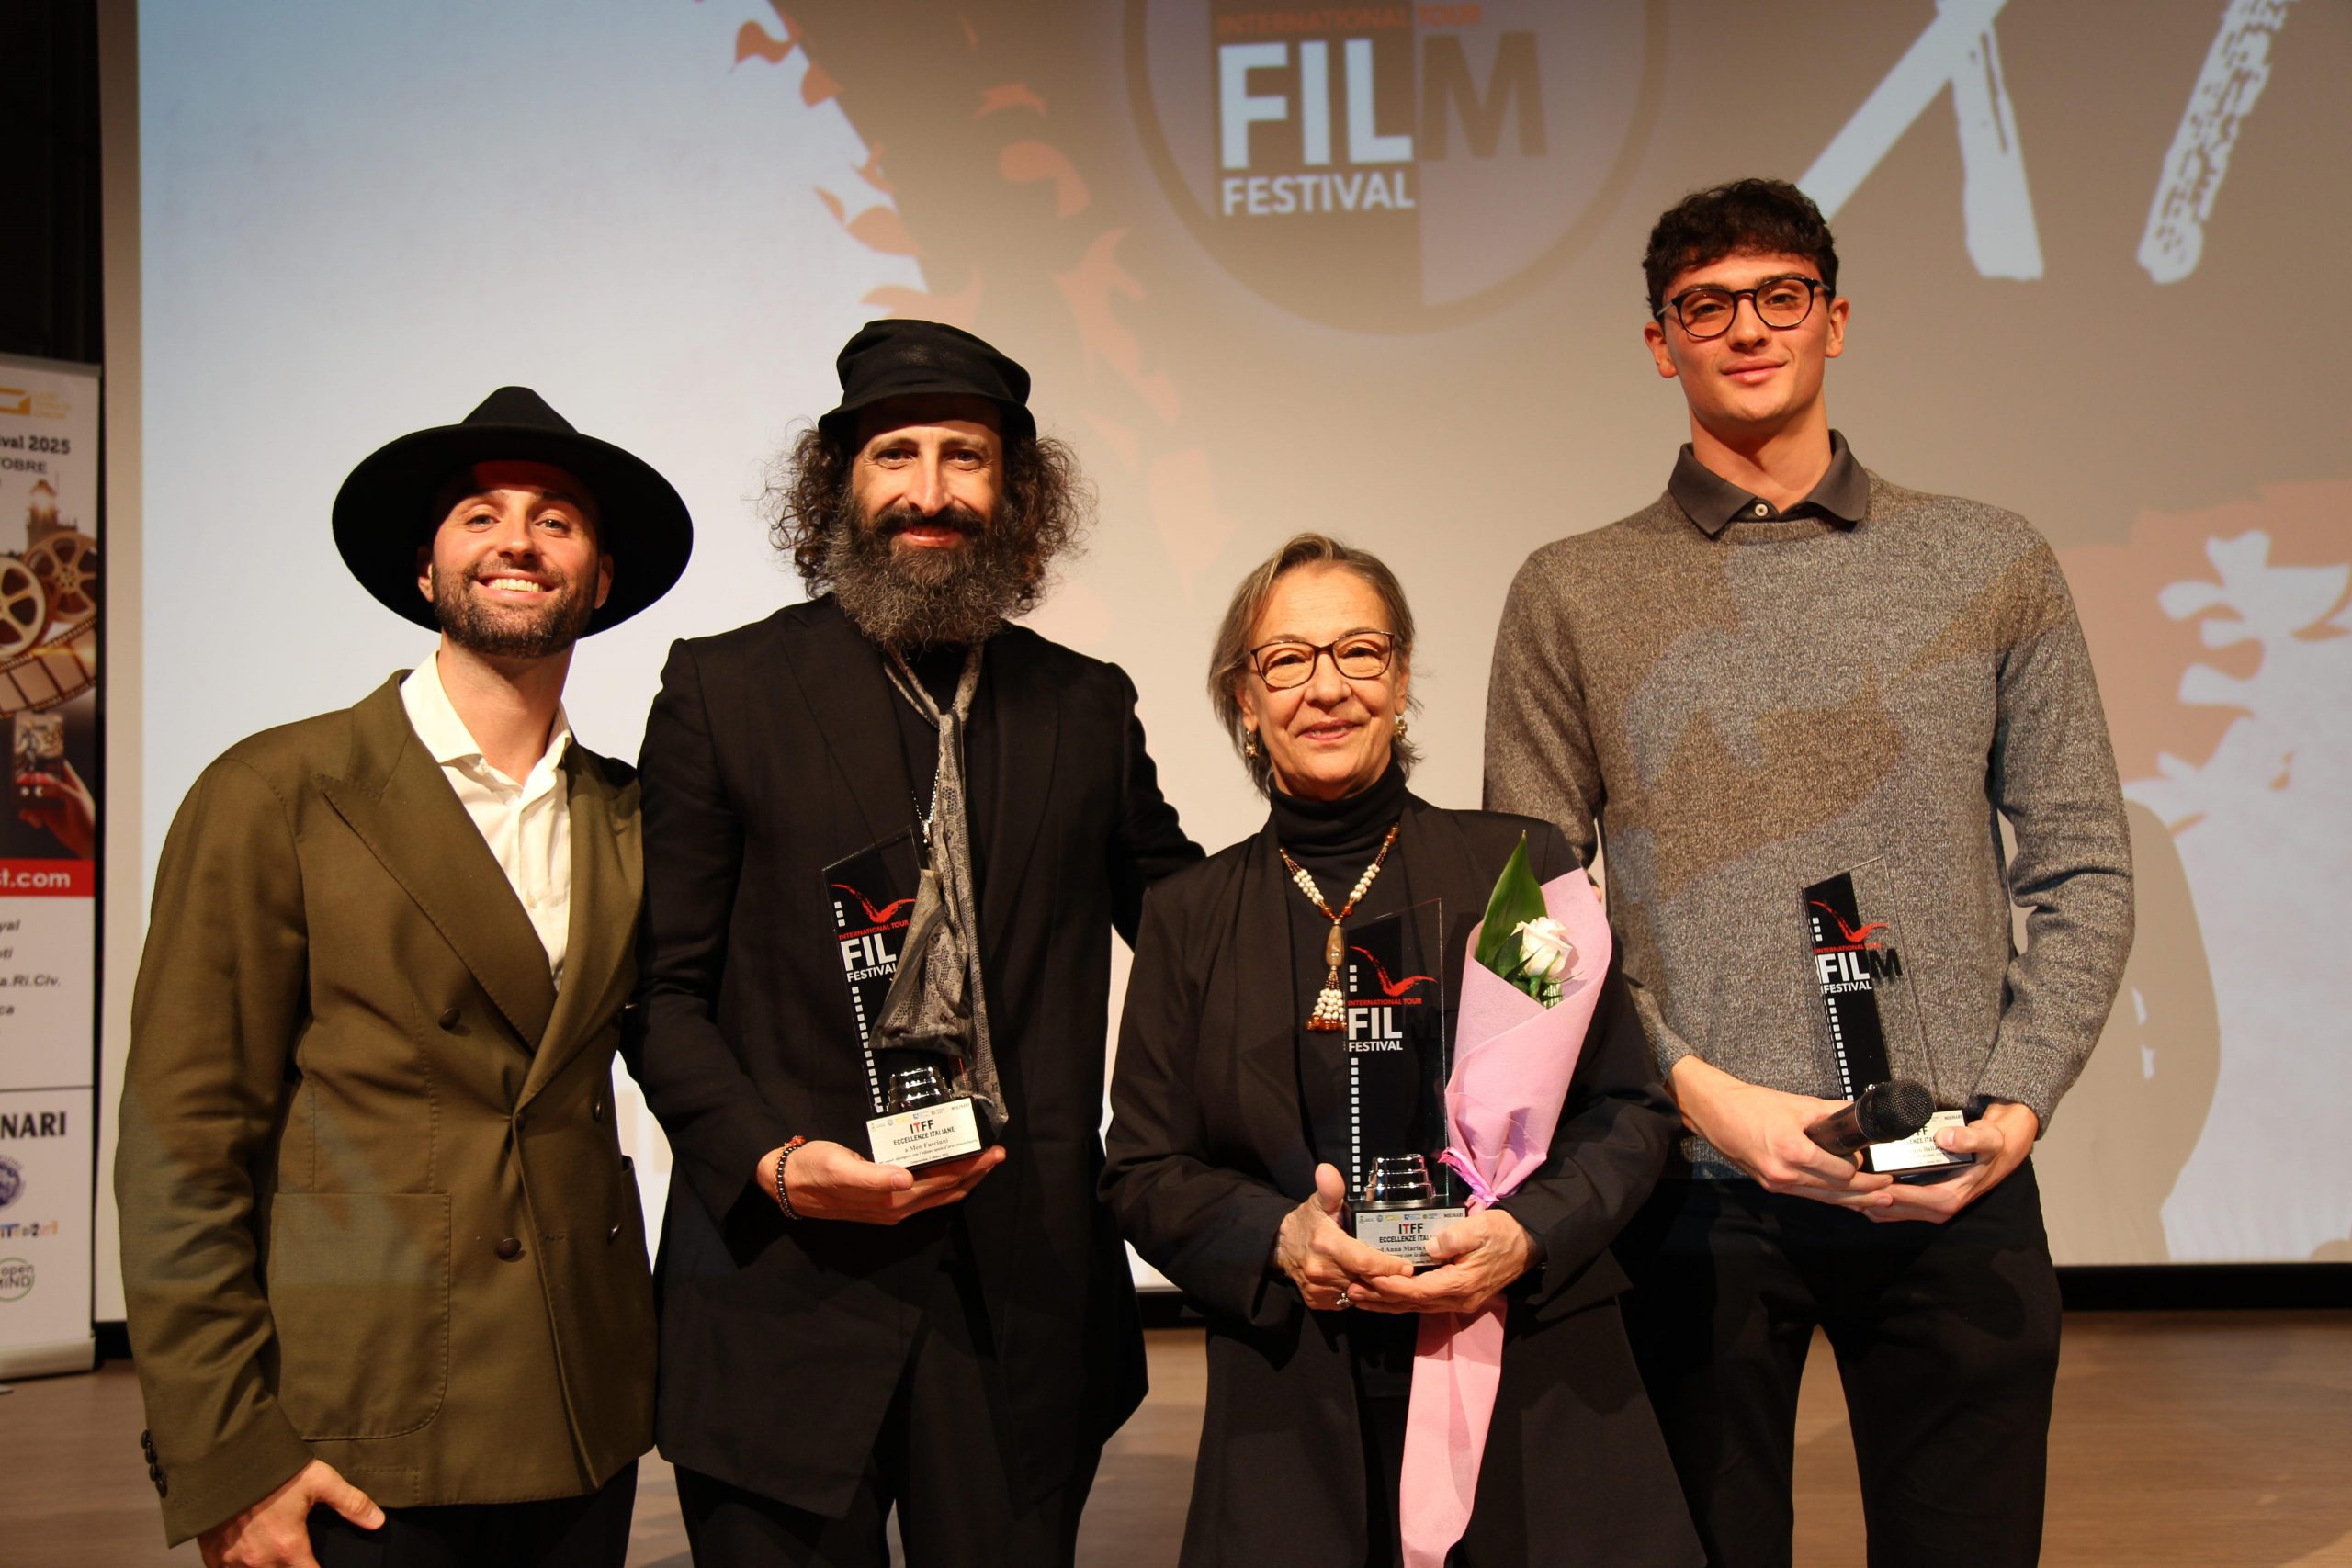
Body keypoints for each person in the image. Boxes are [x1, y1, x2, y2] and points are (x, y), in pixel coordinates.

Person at [1486, 178, 2134, 1568]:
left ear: (1835, 318)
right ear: (1660, 343)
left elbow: (2081, 863)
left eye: (1781, 294)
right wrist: (1696, 1094)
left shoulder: (1986, 557)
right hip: (1687, 1191)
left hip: (1953, 1173)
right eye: (1705, 306)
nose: (1748, 328)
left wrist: (2016, 1101)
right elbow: (1525, 917)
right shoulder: (1573, 587)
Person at [631, 318, 1202, 1567]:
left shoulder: (1084, 705)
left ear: (1018, 492)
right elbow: (659, 995)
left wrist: (1375, 878)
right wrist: (773, 1161)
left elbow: (1191, 923)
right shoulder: (723, 690)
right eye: (896, 454)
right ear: (840, 482)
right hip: (783, 1284)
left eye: (967, 457)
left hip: (1020, 1305)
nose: (930, 493)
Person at [118, 388, 694, 1568]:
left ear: (599, 577)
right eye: (480, 516)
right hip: (354, 1420)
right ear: (426, 574)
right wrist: (231, 1453)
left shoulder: (633, 813)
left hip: (582, 1406)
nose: (518, 540)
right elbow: (183, 1143)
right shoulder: (278, 790)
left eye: (556, 521)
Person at [1102, 534, 1700, 1568]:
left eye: (1359, 652)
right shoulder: (1187, 915)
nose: (1324, 687)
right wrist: (1278, 1238)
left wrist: (1525, 1234)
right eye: (1285, 660)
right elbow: (1144, 1170)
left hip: (1527, 1368)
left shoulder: (1515, 868)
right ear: (1244, 699)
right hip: (1294, 1388)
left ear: (1402, 678)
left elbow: (1625, 1111)